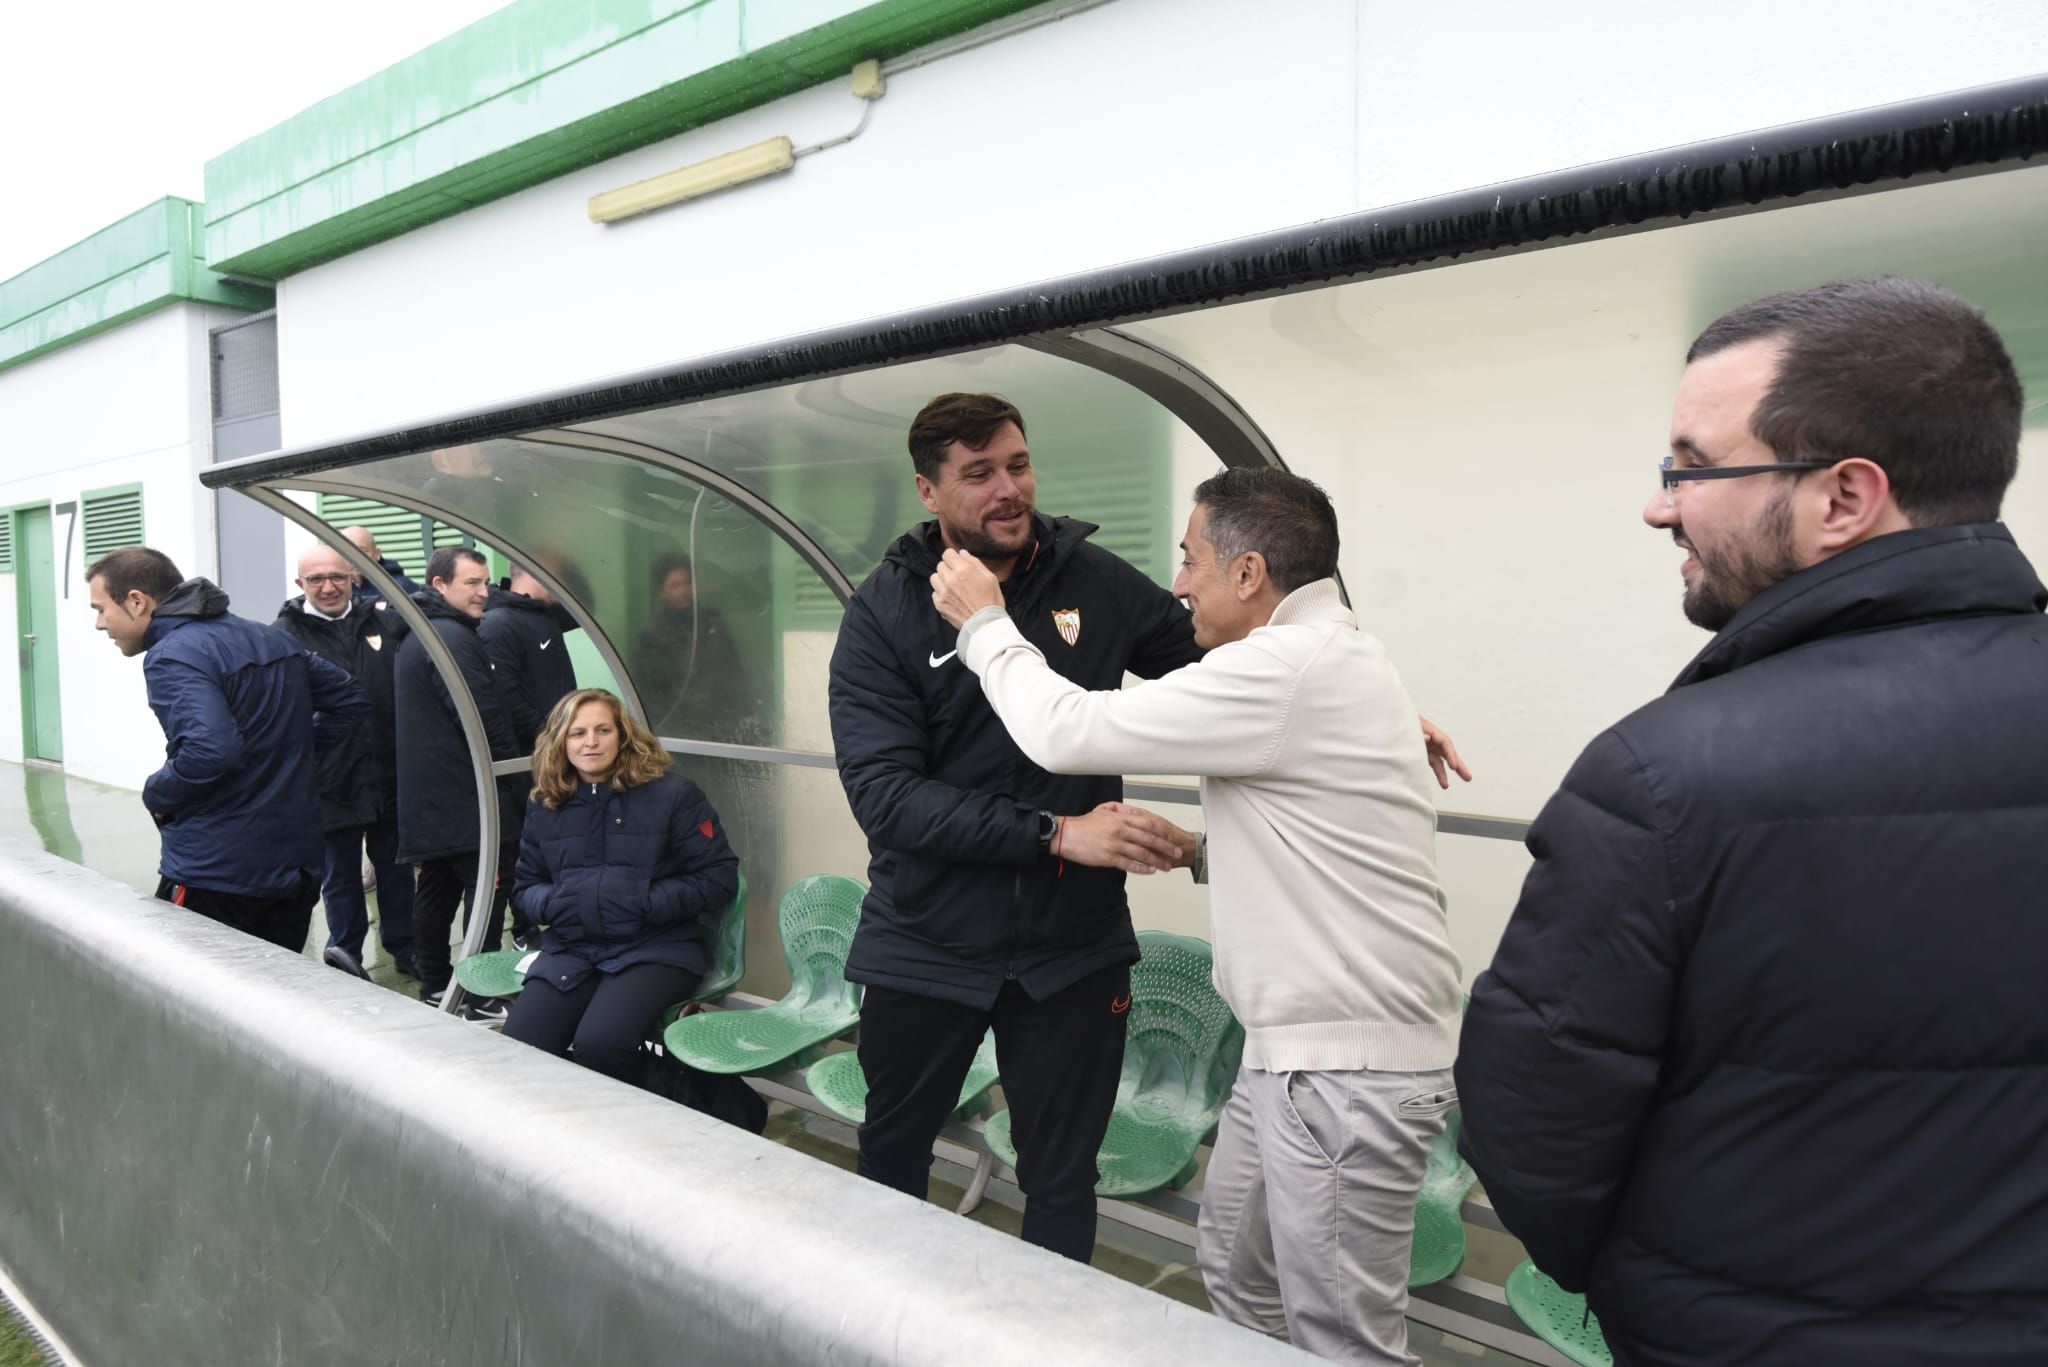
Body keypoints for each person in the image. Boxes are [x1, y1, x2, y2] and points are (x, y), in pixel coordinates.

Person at [1454, 277, 2048, 1366]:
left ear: (1841, 498)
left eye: (1688, 465)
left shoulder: (1663, 775)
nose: (1658, 504)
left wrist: (1647, 1281)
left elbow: (1530, 1116)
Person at [932, 467, 1469, 1365]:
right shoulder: (1342, 657)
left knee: (1346, 1341)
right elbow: (1329, 839)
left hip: (1341, 1070)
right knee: (1236, 1271)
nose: (1178, 584)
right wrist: (1196, 851)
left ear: (1249, 572)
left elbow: (1066, 729)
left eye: (1190, 561)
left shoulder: (1284, 665)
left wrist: (986, 624)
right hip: (1289, 1054)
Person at [826, 392, 1206, 1264]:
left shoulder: (1094, 581)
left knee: (1064, 1182)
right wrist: (1056, 832)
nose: (1009, 489)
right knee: (891, 1158)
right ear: (928, 490)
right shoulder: (885, 610)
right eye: (979, 473)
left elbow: (1217, 660)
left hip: (1070, 948)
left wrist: (1336, 692)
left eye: (1018, 464)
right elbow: (886, 798)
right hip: (924, 937)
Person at [87, 546, 365, 952]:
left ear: (136, 601)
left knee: (198, 1002)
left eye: (100, 609)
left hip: (218, 874)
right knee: (274, 995)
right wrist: (294, 762)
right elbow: (349, 698)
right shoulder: (269, 637)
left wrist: (157, 793)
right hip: (293, 868)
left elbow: (210, 750)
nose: (99, 624)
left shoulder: (172, 655)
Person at [503, 689, 739, 1086]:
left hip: (655, 947)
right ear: (561, 741)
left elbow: (718, 878)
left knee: (601, 1045)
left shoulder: (673, 795)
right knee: (522, 1047)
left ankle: (696, 1106)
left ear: (623, 736)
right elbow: (526, 887)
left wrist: (642, 902)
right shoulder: (547, 804)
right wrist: (560, 903)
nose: (590, 742)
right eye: (577, 733)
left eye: (602, 730)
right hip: (573, 950)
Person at [392, 546, 526, 1017]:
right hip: (469, 797)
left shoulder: (421, 634)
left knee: (437, 890)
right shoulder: (452, 638)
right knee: (486, 893)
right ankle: (479, 993)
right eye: (471, 583)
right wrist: (512, 777)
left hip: (432, 798)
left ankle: (435, 985)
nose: (483, 592)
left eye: (485, 582)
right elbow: (480, 717)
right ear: (439, 585)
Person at [272, 543, 415, 979]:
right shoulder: (284, 635)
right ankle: (346, 956)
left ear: (354, 576)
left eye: (337, 577)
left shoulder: (383, 618)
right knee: (340, 879)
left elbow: (426, 605)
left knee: (396, 873)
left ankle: (406, 950)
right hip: (329, 777)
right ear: (301, 585)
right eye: (316, 580)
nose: (328, 587)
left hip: (389, 771)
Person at [633, 555, 745, 738]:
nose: (684, 591)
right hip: (678, 729)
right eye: (675, 586)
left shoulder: (712, 622)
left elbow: (734, 673)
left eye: (687, 583)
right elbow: (650, 690)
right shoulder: (652, 635)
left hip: (720, 724)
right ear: (662, 592)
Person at [480, 562, 581, 753]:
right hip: (534, 755)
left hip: (558, 746)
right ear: (537, 572)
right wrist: (546, 736)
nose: (565, 581)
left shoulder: (546, 613)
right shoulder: (498, 623)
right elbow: (506, 696)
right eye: (561, 573)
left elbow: (588, 602)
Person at [339, 525, 422, 602]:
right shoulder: (335, 589)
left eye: (362, 551)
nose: (355, 558)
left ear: (377, 554)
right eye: (348, 552)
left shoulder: (399, 588)